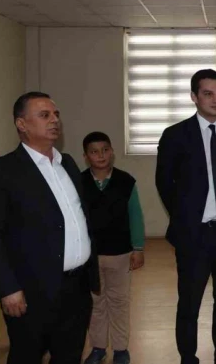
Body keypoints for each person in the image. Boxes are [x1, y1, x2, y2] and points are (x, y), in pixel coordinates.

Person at [0, 91, 100, 364]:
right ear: (22, 124)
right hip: (32, 291)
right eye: (44, 115)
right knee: (27, 356)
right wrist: (7, 288)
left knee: (69, 356)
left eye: (56, 114)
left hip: (76, 289)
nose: (55, 120)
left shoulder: (67, 163)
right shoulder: (1, 171)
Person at [155, 69, 216, 364]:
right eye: (208, 94)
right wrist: (185, 219)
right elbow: (164, 183)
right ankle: (188, 358)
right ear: (194, 97)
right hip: (195, 234)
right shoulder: (175, 135)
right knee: (190, 303)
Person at [81, 132, 146, 364]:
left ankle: (120, 349)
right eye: (94, 151)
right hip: (89, 256)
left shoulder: (126, 181)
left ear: (112, 152)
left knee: (119, 302)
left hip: (120, 253)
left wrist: (138, 247)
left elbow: (135, 215)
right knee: (95, 303)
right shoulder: (78, 182)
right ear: (86, 156)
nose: (101, 155)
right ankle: (98, 348)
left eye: (105, 150)